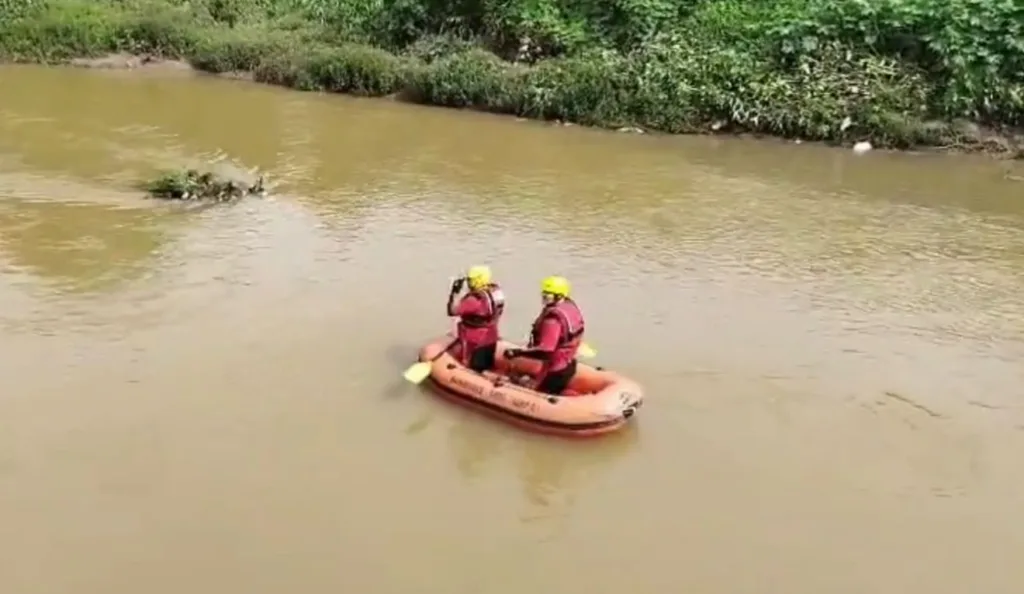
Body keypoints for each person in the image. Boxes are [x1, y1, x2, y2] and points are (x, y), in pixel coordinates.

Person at [504, 276, 584, 395]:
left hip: (555, 370)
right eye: (543, 294)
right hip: (569, 364)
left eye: (547, 295)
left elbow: (546, 350)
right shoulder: (570, 308)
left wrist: (517, 353)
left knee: (538, 392)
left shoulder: (552, 320)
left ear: (558, 296)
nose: (543, 298)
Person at [447, 265, 505, 373]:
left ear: (476, 280)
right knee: (486, 366)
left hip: (475, 341)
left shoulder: (473, 300)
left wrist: (454, 292)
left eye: (470, 280)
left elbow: (451, 311)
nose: (468, 283)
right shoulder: (496, 294)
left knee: (473, 369)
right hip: (491, 338)